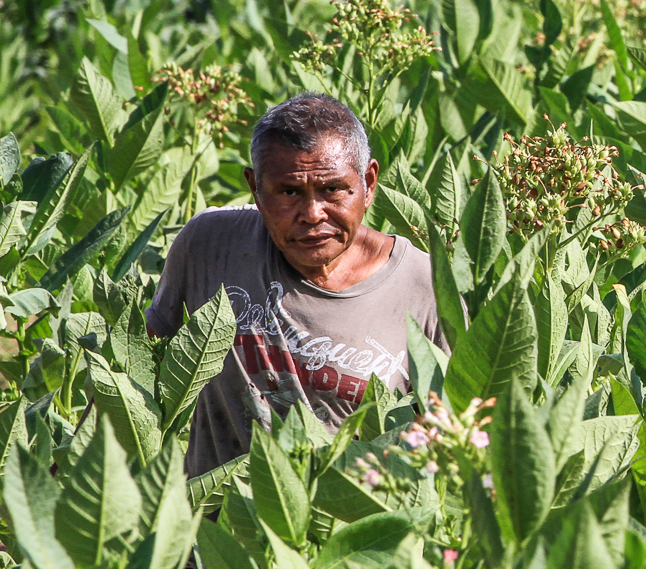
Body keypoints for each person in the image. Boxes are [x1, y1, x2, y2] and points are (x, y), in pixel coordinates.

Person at [147, 92, 446, 477]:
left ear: (368, 183)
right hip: (219, 526)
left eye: (333, 189)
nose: (312, 214)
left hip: (353, 525)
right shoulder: (208, 246)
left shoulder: (423, 283)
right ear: (255, 188)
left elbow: (448, 427)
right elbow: (137, 366)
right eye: (289, 192)